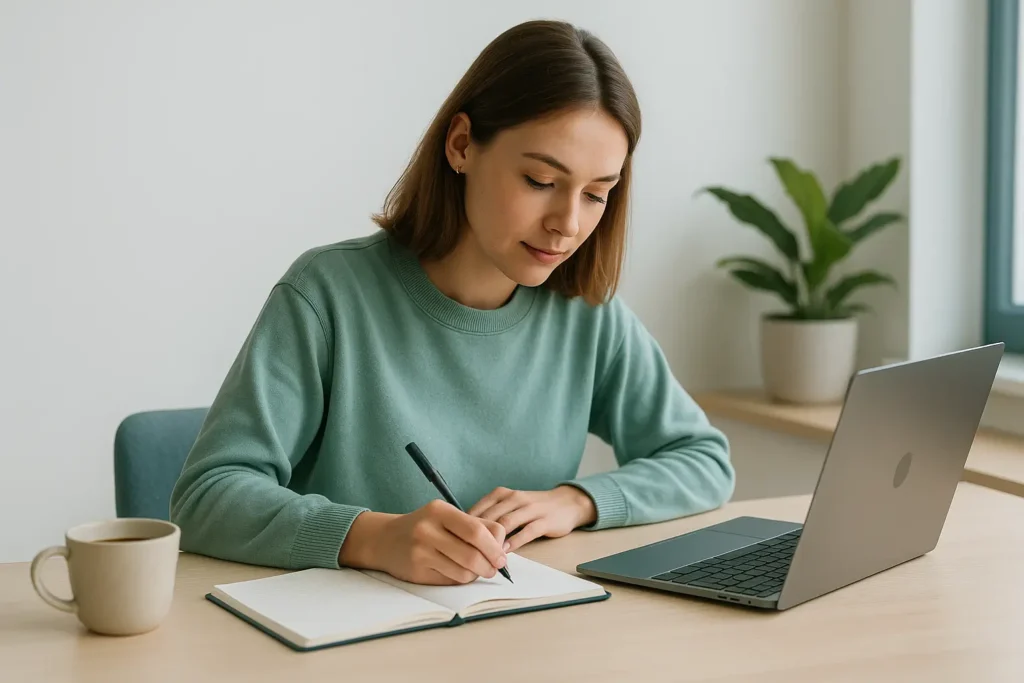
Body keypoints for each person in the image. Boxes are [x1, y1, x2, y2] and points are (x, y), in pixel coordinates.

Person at [169, 19, 734, 587]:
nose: (568, 224)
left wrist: (576, 500)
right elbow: (207, 495)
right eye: (540, 180)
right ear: (462, 145)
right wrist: (372, 536)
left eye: (596, 195)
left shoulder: (588, 316)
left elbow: (703, 460)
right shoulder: (328, 294)